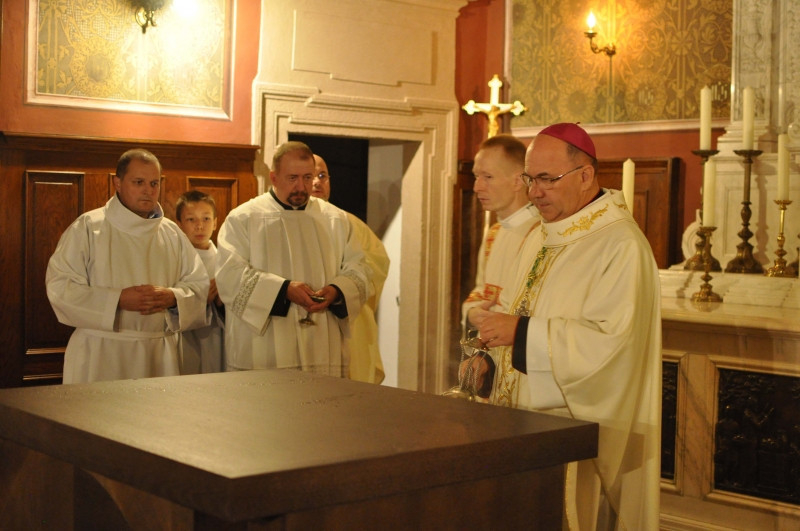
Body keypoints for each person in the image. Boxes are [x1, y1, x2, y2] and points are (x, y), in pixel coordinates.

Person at [469, 123, 661, 530]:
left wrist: (521, 334)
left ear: (586, 175)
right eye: (530, 179)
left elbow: (613, 347)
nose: (534, 192)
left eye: (547, 179)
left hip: (567, 436)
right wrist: (491, 360)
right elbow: (515, 309)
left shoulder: (620, 245)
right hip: (517, 429)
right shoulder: (541, 236)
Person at [46, 148, 210, 384]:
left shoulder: (172, 233)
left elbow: (198, 285)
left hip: (159, 354)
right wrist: (118, 300)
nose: (148, 190)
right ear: (118, 183)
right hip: (102, 352)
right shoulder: (89, 227)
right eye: (139, 182)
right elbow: (60, 288)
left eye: (154, 183)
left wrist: (173, 297)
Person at [215, 141, 371, 377]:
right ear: (274, 178)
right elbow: (229, 276)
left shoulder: (336, 219)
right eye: (292, 178)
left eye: (307, 177)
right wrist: (283, 290)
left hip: (322, 343)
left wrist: (337, 291)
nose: (301, 187)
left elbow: (359, 269)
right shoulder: (244, 219)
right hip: (267, 347)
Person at [460, 134, 541, 399]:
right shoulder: (494, 233)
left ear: (518, 180)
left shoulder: (540, 234)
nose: (477, 187)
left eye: (488, 177)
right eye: (476, 176)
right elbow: (481, 291)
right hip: (488, 361)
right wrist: (473, 313)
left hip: (522, 368)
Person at [311, 154, 390, 384]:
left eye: (322, 175)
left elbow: (376, 265)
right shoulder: (283, 224)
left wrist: (340, 289)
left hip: (347, 325)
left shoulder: (350, 223)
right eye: (310, 176)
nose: (317, 182)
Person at [175, 190, 225, 374]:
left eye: (206, 218)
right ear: (179, 225)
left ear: (215, 222)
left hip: (218, 338)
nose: (199, 226)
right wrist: (198, 299)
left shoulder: (226, 261)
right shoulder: (174, 261)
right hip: (187, 339)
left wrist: (223, 299)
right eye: (191, 219)